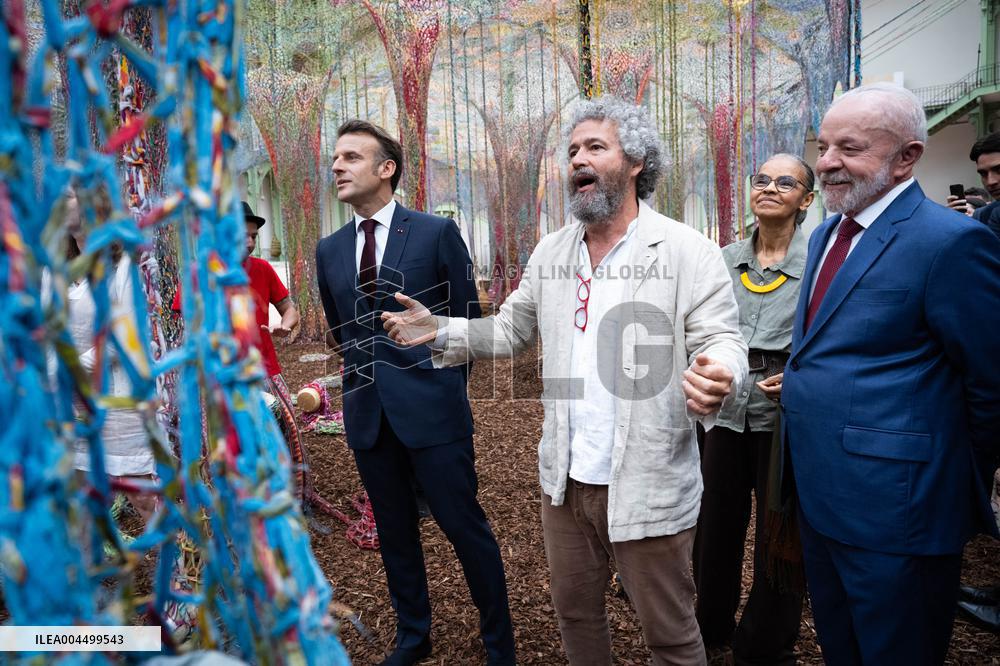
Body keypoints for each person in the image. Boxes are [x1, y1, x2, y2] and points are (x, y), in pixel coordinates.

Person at [382, 96, 748, 666]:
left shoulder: (687, 251)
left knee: (670, 635)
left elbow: (721, 337)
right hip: (566, 482)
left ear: (636, 162)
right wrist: (440, 329)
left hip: (649, 479)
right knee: (575, 616)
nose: (578, 158)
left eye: (595, 147)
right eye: (572, 150)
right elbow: (510, 329)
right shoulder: (553, 251)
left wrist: (720, 371)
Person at [782, 82, 1000, 664]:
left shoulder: (953, 243)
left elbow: (991, 383)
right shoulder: (827, 233)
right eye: (822, 146)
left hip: (902, 514)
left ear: (907, 156)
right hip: (822, 499)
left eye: (849, 148)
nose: (826, 163)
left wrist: (946, 481)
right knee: (842, 648)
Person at [315, 119, 514, 666]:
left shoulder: (434, 232)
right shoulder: (328, 249)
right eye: (336, 158)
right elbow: (341, 332)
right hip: (368, 418)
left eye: (352, 157)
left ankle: (500, 643)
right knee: (396, 535)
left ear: (387, 169)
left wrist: (443, 390)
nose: (338, 166)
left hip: (433, 415)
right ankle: (412, 637)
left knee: (463, 527)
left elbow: (468, 323)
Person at [694, 154, 814, 665]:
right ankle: (708, 625)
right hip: (724, 412)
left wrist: (803, 380)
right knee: (713, 525)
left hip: (784, 417)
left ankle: (764, 644)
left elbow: (836, 338)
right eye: (761, 179)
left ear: (806, 200)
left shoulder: (819, 265)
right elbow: (698, 324)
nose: (769, 187)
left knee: (779, 533)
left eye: (785, 182)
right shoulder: (722, 260)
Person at [171, 202, 305, 498]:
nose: (249, 242)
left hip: (264, 369)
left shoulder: (263, 269)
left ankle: (285, 502)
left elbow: (289, 308)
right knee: (219, 445)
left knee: (286, 432)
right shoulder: (197, 273)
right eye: (242, 235)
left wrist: (287, 323)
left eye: (254, 236)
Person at [64, 188, 157, 524]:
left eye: (70, 193)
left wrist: (71, 366)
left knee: (142, 498)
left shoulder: (122, 267)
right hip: (72, 406)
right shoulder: (60, 269)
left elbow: (124, 339)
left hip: (117, 403)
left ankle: (178, 571)